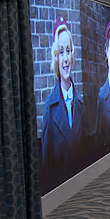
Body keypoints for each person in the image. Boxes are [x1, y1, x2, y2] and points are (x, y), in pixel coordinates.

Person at [41, 17, 84, 188]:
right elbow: (46, 161)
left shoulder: (80, 103)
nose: (65, 59)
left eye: (68, 51)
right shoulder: (49, 108)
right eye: (61, 52)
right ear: (56, 58)